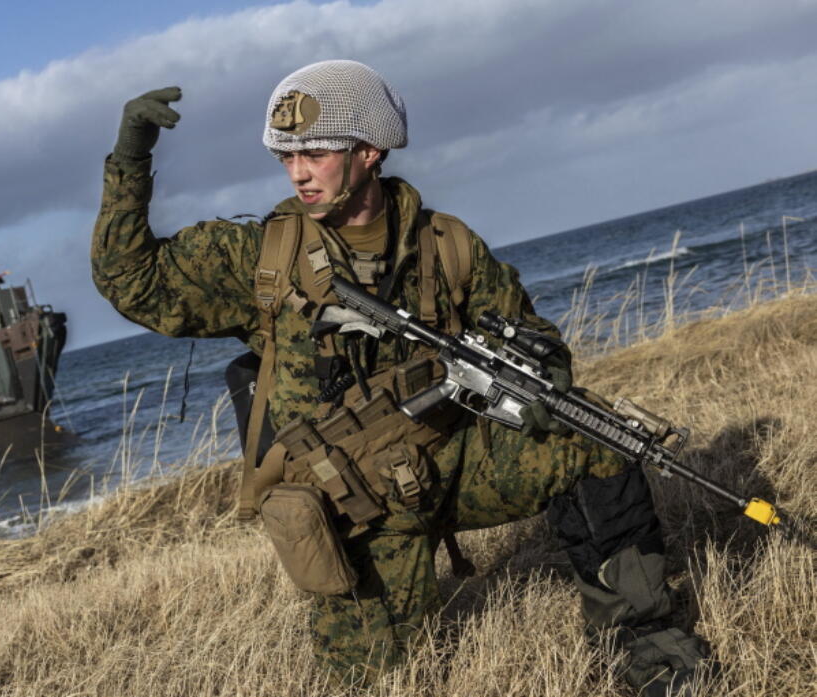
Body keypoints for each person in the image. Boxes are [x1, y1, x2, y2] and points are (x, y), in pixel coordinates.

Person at [92, 60, 709, 694]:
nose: (298, 171)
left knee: (594, 435)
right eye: (286, 157)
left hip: (456, 463)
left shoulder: (447, 246)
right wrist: (129, 160)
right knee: (383, 683)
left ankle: (645, 639)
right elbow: (130, 282)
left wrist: (542, 381)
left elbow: (535, 339)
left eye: (316, 152)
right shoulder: (259, 259)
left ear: (368, 150)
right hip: (361, 511)